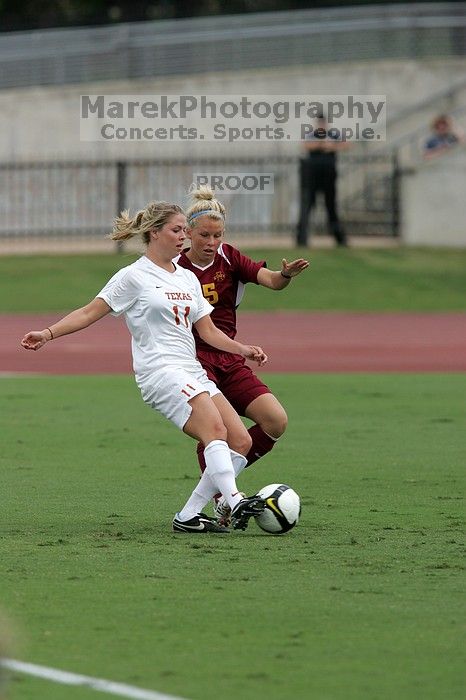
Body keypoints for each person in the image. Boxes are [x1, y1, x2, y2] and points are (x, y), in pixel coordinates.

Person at [21, 201, 269, 534]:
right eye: (176, 230)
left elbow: (208, 331)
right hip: (160, 371)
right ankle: (234, 499)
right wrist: (47, 333)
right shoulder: (134, 276)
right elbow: (88, 312)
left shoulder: (186, 278)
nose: (183, 237)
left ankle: (189, 516)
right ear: (155, 233)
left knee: (240, 441)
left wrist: (243, 349)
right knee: (215, 431)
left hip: (190, 369)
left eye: (184, 230)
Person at [176, 186, 309, 525]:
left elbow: (271, 281)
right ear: (188, 233)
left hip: (230, 359)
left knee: (275, 421)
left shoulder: (230, 258)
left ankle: (221, 485)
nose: (211, 241)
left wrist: (285, 275)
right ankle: (224, 498)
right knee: (217, 431)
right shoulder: (173, 268)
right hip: (194, 362)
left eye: (217, 234)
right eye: (204, 234)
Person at [296, 113, 349, 247]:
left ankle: (339, 238)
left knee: (331, 206)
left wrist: (332, 146)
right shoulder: (312, 134)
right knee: (308, 205)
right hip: (312, 176)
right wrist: (321, 144)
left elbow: (346, 145)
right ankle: (301, 238)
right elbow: (305, 145)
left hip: (329, 175)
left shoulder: (333, 134)